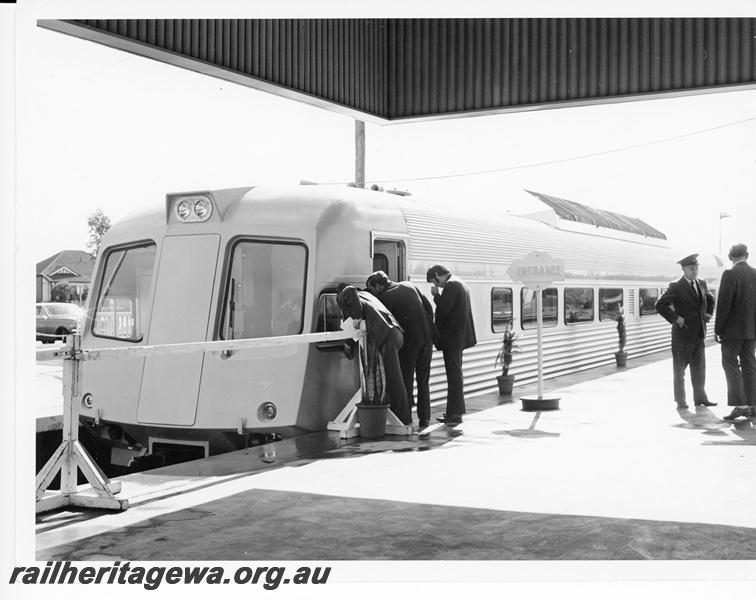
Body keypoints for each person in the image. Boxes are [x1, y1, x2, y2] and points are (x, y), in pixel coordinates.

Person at [365, 271, 436, 428]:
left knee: (406, 379)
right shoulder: (408, 285)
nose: (372, 293)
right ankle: (425, 419)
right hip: (427, 337)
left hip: (410, 342)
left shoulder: (384, 299)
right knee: (423, 380)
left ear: (378, 286)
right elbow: (429, 308)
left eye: (371, 289)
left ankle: (406, 419)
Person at [336, 283, 411, 425]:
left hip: (386, 336)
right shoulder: (367, 296)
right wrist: (349, 343)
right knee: (393, 378)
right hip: (395, 333)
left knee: (393, 380)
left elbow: (350, 291)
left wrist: (357, 317)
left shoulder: (344, 295)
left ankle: (403, 419)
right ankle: (401, 417)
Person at [655, 253, 716, 409]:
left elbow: (710, 298)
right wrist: (676, 318)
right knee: (680, 370)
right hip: (683, 334)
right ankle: (681, 400)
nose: (694, 271)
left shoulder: (701, 283)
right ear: (683, 269)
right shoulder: (676, 285)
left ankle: (700, 398)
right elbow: (660, 304)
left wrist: (708, 313)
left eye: (696, 268)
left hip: (699, 334)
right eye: (690, 268)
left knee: (699, 369)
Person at [425, 265, 477, 424]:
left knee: (454, 375)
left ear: (437, 275)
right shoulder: (459, 282)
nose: (436, 286)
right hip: (457, 338)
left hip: (453, 339)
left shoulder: (451, 285)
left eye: (434, 282)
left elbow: (445, 308)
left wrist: (436, 296)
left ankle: (454, 413)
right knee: (455, 374)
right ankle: (455, 412)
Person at [714, 243, 756, 420]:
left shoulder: (730, 274)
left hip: (731, 333)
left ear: (730, 257)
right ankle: (753, 405)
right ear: (747, 255)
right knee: (750, 366)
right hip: (751, 332)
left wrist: (718, 329)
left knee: (730, 365)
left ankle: (741, 406)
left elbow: (724, 305)